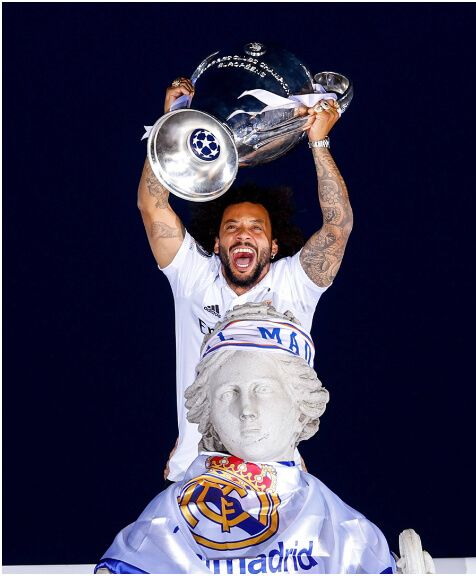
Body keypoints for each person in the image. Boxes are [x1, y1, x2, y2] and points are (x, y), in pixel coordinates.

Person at [140, 78, 352, 482]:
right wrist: (172, 122)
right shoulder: (193, 277)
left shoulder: (295, 284)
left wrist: (319, 143)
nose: (243, 234)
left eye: (256, 228)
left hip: (278, 476)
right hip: (197, 471)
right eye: (232, 227)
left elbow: (337, 227)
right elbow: (152, 205)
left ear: (273, 246)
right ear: (216, 243)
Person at [97, 304, 395, 574]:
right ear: (209, 412)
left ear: (300, 404)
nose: (246, 410)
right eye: (229, 393)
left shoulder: (345, 531)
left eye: (262, 389)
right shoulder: (167, 519)